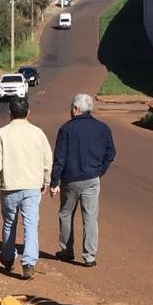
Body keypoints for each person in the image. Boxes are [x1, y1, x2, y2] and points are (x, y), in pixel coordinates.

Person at [0, 96, 52, 279]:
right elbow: (47, 160)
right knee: (31, 225)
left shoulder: (2, 133)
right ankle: (29, 263)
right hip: (32, 186)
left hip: (9, 186)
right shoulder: (38, 133)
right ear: (28, 113)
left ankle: (8, 258)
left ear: (10, 113)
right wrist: (46, 181)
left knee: (9, 223)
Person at [50, 93, 115, 267]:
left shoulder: (66, 129)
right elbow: (110, 153)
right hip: (92, 179)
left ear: (76, 109)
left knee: (66, 214)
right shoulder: (102, 128)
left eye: (71, 107)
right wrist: (99, 171)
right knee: (90, 218)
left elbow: (59, 158)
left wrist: (54, 181)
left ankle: (66, 251)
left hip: (70, 180)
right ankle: (89, 257)